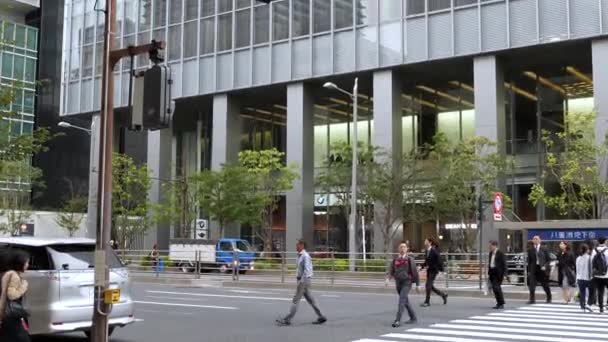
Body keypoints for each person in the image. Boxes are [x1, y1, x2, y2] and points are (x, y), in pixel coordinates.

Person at [276, 239, 326, 326]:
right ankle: (321, 316)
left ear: (302, 245)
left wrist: (301, 281)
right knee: (311, 300)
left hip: (303, 280)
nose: (296, 246)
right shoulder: (300, 255)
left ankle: (287, 319)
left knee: (295, 300)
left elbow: (307, 270)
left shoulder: (305, 256)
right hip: (304, 280)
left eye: (297, 245)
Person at [0, 249, 31, 342]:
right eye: (27, 262)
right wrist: (24, 286)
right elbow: (12, 295)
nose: (28, 265)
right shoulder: (12, 275)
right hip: (9, 315)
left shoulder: (4, 274)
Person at [387, 242, 420, 327]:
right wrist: (388, 279)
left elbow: (415, 273)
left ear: (407, 249)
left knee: (401, 300)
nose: (402, 248)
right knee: (405, 301)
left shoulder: (410, 259)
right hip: (398, 283)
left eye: (404, 247)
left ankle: (397, 320)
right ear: (398, 249)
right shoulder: (395, 260)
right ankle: (413, 317)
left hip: (407, 282)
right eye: (401, 247)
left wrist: (417, 284)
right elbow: (391, 270)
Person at [420, 237, 448, 307]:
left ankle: (427, 301)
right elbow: (427, 261)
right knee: (430, 286)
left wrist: (442, 270)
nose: (424, 242)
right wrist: (421, 267)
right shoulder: (427, 251)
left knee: (428, 285)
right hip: (429, 270)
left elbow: (440, 261)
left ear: (430, 242)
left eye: (426, 241)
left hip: (434, 270)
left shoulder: (434, 251)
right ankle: (443, 295)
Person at [527, 235, 552, 304]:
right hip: (533, 269)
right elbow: (529, 261)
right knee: (532, 285)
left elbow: (549, 260)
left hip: (542, 269)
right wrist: (529, 271)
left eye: (537, 239)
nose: (535, 240)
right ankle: (532, 299)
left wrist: (545, 266)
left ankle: (549, 297)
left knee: (545, 285)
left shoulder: (544, 249)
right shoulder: (530, 249)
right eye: (534, 239)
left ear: (540, 240)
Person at [591, 237, 608, 313]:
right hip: (606, 274)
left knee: (600, 291)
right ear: (605, 241)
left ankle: (601, 308)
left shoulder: (594, 251)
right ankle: (607, 304)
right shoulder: (607, 250)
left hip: (597, 275)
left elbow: (592, 262)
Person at [488, 240, 507, 309]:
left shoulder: (500, 253)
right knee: (494, 288)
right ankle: (499, 303)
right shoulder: (490, 253)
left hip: (498, 273)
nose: (489, 247)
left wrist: (505, 274)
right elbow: (490, 263)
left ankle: (501, 303)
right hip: (492, 272)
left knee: (497, 287)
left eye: (490, 246)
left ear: (494, 246)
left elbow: (504, 264)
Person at [576, 244, 593, 312]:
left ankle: (582, 305)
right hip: (588, 278)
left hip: (580, 278)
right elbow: (591, 268)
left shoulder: (578, 258)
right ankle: (589, 304)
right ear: (587, 250)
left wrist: (576, 279)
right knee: (592, 292)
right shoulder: (590, 258)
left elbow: (577, 269)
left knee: (582, 292)